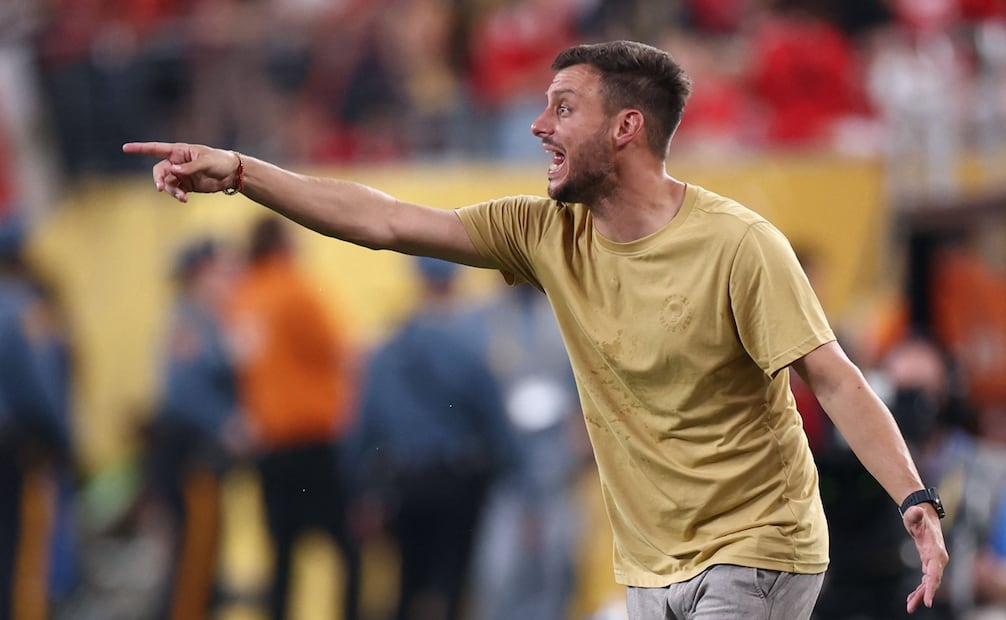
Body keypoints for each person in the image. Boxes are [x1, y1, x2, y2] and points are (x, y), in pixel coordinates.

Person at [123, 39, 948, 619]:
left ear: (626, 128)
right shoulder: (543, 232)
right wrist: (243, 172)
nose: (537, 126)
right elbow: (384, 220)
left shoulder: (740, 245)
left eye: (563, 107)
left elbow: (833, 376)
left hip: (756, 548)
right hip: (650, 564)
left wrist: (913, 498)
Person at [346, 256, 515, 620]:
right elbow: (494, 419)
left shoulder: (390, 347)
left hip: (405, 482)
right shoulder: (471, 345)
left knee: (408, 582)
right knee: (454, 584)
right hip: (458, 481)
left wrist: (360, 490)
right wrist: (507, 469)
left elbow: (364, 424)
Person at [228, 216, 361, 620]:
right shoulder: (296, 291)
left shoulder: (244, 298)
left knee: (282, 556)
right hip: (313, 440)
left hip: (269, 446)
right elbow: (341, 352)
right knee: (347, 548)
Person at [146, 236, 242, 620]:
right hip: (191, 460)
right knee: (193, 563)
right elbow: (181, 393)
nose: (231, 280)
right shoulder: (191, 323)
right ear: (199, 276)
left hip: (202, 460)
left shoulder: (211, 322)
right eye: (221, 272)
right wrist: (226, 422)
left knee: (202, 560)